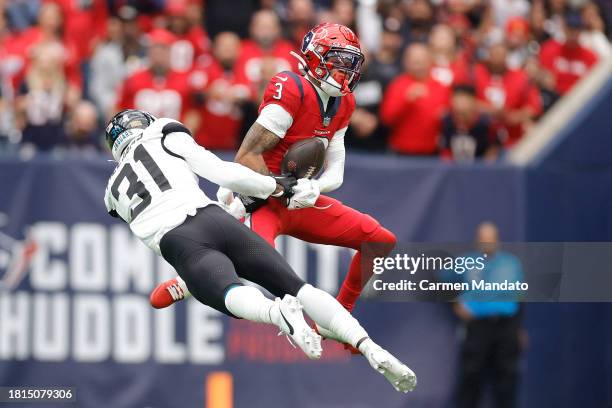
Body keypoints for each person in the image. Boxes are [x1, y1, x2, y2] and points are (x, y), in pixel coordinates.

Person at [103, 109, 416, 393]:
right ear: (145, 125)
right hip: (214, 217)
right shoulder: (164, 134)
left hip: (181, 241)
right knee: (298, 287)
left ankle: (276, 313)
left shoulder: (112, 194)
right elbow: (220, 170)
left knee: (230, 294)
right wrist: (275, 187)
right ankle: (370, 346)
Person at [151, 23, 398, 353]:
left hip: (297, 200)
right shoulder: (290, 87)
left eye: (350, 64)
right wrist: (285, 190)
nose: (345, 72)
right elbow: (246, 155)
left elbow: (336, 167)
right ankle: (188, 282)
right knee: (253, 271)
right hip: (264, 201)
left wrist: (315, 186)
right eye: (339, 61)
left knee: (380, 241)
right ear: (315, 57)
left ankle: (339, 315)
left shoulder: (344, 103)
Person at [454, 222, 525, 408]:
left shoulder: (511, 264)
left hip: (506, 327)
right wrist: (455, 303)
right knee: (471, 377)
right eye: (483, 239)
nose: (487, 243)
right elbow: (441, 281)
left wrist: (519, 329)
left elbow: (520, 298)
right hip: (477, 328)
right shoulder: (466, 262)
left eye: (491, 239)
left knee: (506, 379)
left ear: (497, 240)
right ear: (478, 241)